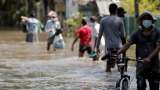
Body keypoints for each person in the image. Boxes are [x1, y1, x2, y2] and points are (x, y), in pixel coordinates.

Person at [117, 11, 160, 90]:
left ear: (152, 21)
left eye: (148, 19)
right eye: (145, 19)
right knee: (140, 86)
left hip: (154, 66)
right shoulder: (137, 33)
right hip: (141, 66)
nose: (146, 21)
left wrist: (149, 58)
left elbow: (158, 47)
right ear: (141, 21)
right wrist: (118, 52)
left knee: (155, 87)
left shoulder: (157, 32)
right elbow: (127, 44)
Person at [96, 3, 125, 72]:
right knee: (119, 67)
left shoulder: (103, 20)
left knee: (108, 68)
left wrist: (97, 47)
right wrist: (124, 48)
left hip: (109, 46)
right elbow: (123, 35)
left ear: (109, 10)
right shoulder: (120, 20)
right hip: (118, 46)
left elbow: (99, 35)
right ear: (116, 10)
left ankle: (108, 81)